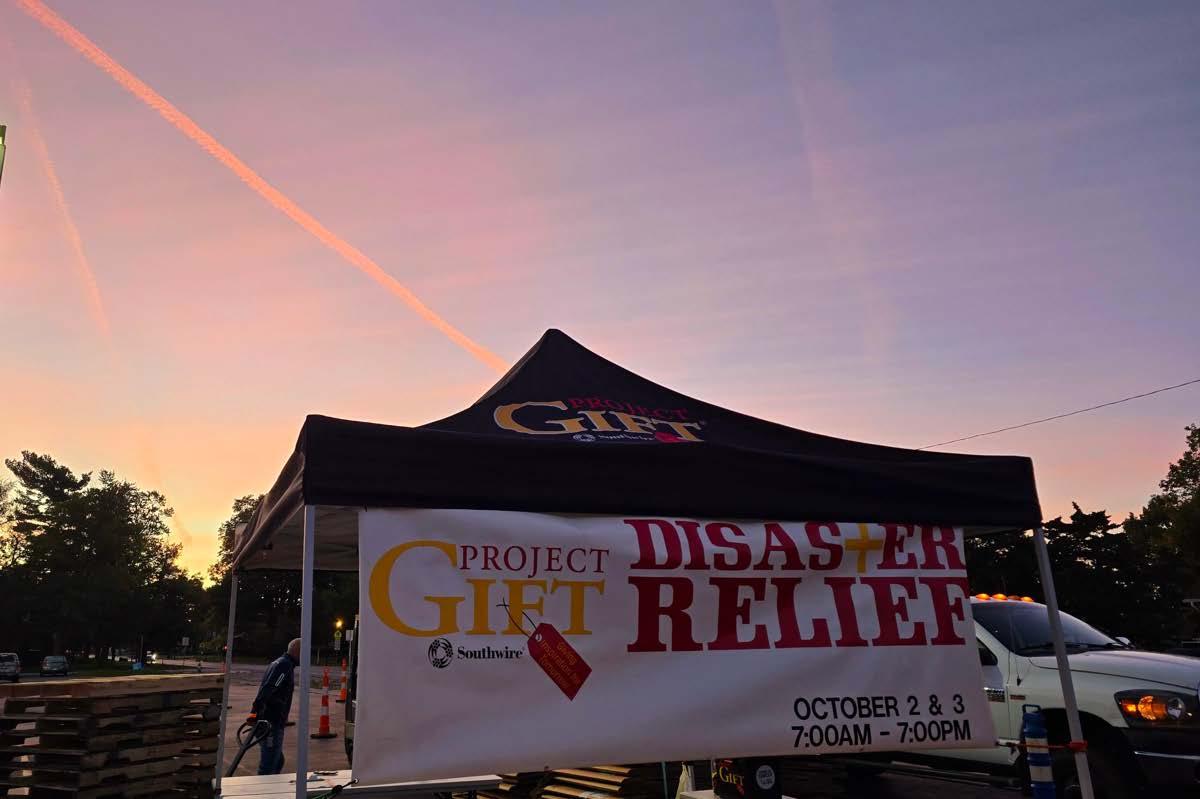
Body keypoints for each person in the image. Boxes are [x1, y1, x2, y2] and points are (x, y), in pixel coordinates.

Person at [249, 638, 301, 775]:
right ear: (298, 651)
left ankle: (272, 787)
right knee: (269, 765)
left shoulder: (278, 662)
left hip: (266, 719)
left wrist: (254, 713)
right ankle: (264, 792)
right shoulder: (285, 665)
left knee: (277, 761)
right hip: (271, 721)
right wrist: (256, 711)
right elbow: (271, 687)